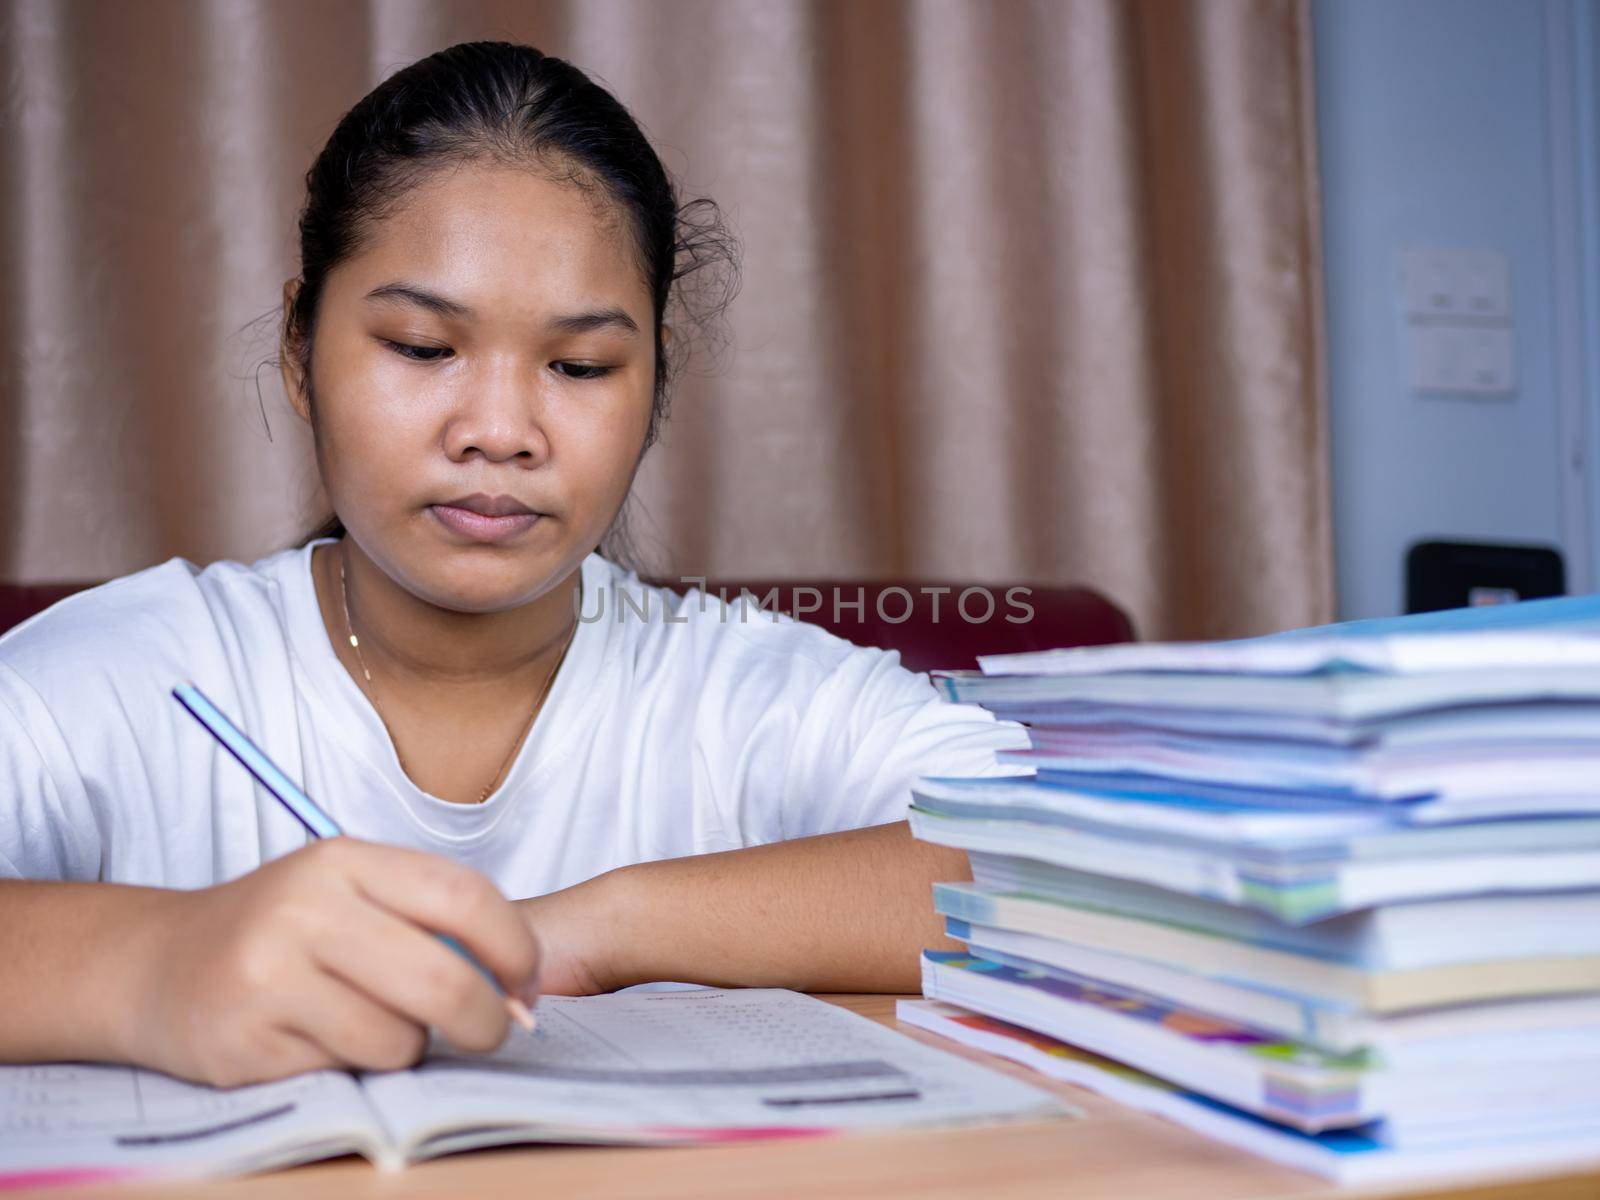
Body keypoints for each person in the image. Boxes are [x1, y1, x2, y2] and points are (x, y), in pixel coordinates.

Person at [0, 41, 1024, 1089]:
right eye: (421, 348)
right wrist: (155, 964)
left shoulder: (744, 692)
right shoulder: (127, 678)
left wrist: (598, 926)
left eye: (578, 366)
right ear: (301, 353)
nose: (500, 431)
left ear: (654, 387)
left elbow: (1067, 878)